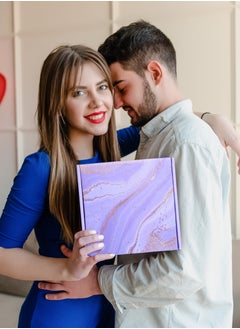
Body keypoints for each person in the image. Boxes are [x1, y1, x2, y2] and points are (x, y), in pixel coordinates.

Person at [39, 21, 236, 328]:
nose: (115, 103)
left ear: (154, 73)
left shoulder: (186, 144)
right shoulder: (156, 136)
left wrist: (96, 282)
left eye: (119, 87)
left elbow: (185, 270)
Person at [0, 44, 141, 328]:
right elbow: (2, 253)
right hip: (56, 314)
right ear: (58, 104)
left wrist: (210, 118)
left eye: (102, 87)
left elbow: (169, 121)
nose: (96, 102)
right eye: (78, 93)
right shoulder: (41, 168)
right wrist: (67, 268)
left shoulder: (113, 148)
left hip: (108, 309)